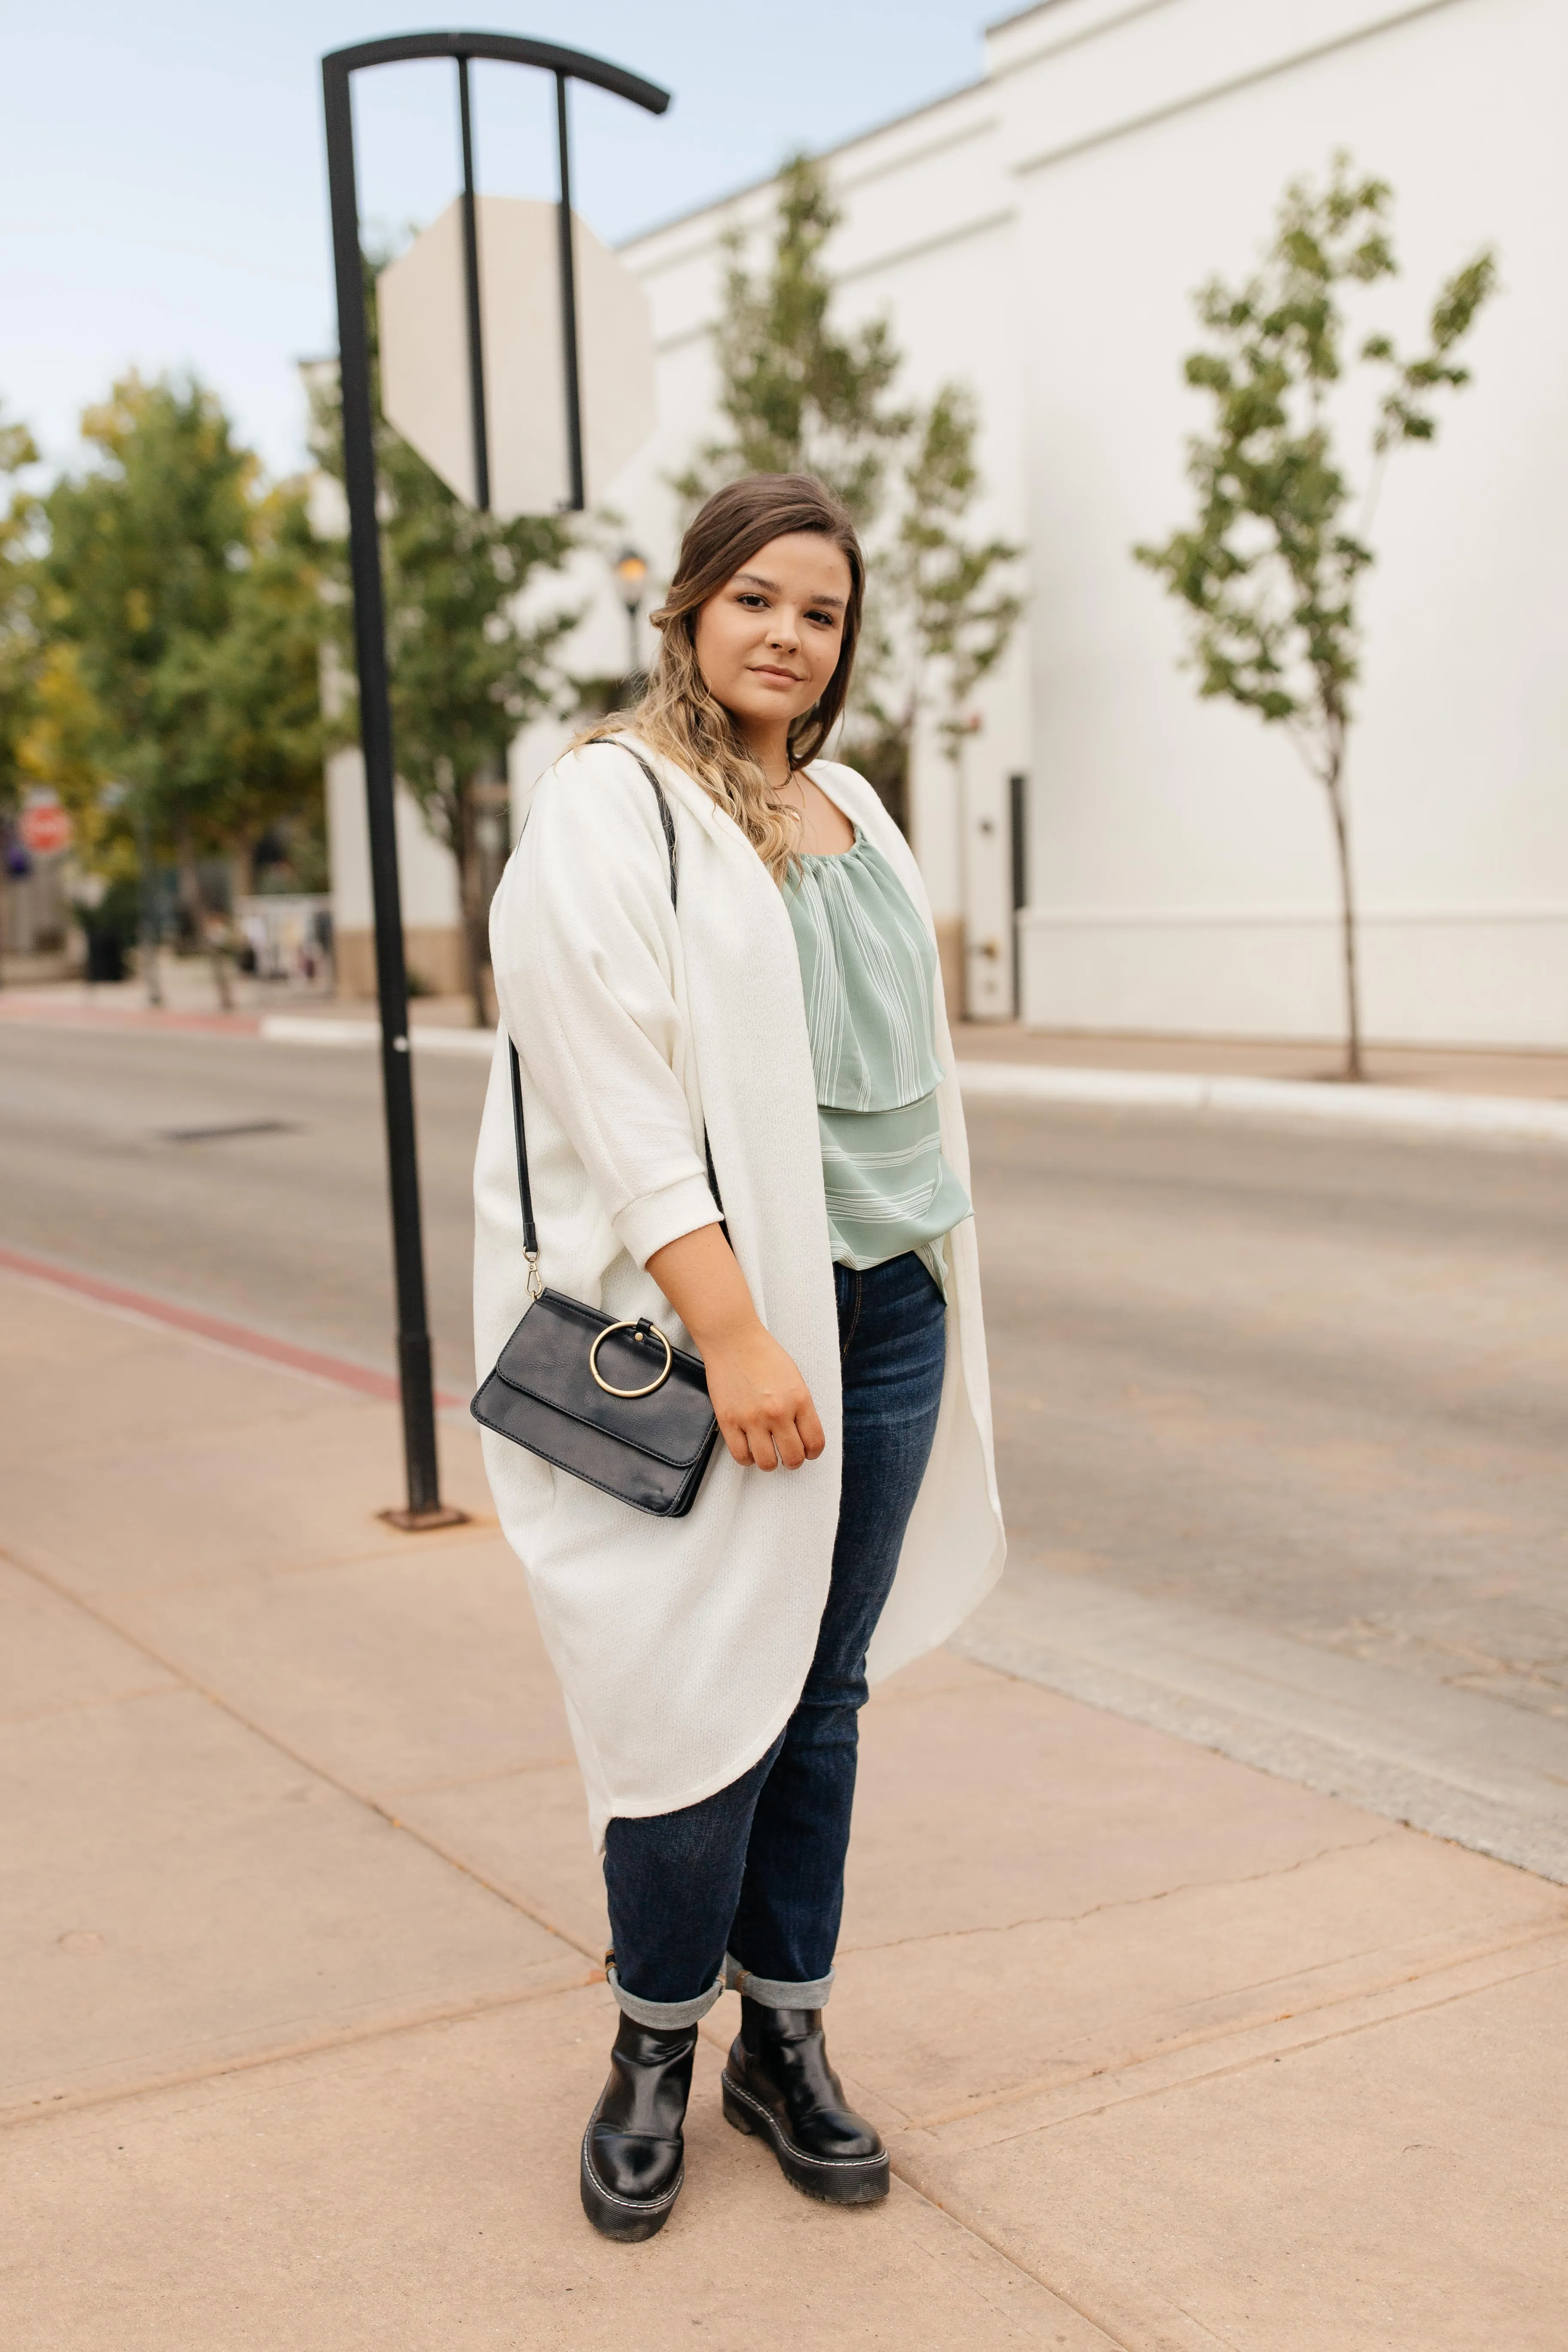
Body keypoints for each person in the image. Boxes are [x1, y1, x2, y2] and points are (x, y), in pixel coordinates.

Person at [474, 473, 1003, 2241]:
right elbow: (610, 1089)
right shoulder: (612, 802)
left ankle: (784, 2037)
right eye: (759, 599)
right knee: (695, 1685)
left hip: (891, 1307)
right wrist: (733, 1323)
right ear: (692, 605)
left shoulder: (849, 800)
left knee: (823, 1684)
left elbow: (892, 1076)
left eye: (825, 613)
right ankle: (648, 2050)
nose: (791, 634)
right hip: (734, 1322)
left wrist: (903, 1274)